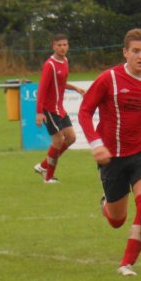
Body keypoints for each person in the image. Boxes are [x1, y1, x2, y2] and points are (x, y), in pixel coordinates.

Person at [78, 28, 141, 276]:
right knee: (117, 220)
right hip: (112, 156)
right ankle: (107, 205)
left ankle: (126, 263)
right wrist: (96, 144)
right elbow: (85, 111)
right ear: (125, 53)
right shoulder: (110, 79)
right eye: (135, 51)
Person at [34, 34, 86, 183]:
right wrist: (39, 112)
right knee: (57, 142)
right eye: (59, 45)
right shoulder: (49, 65)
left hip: (59, 109)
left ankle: (44, 166)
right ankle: (48, 177)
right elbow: (42, 89)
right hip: (49, 110)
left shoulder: (65, 61)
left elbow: (61, 83)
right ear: (53, 46)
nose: (62, 48)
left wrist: (74, 88)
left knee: (71, 138)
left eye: (65, 45)